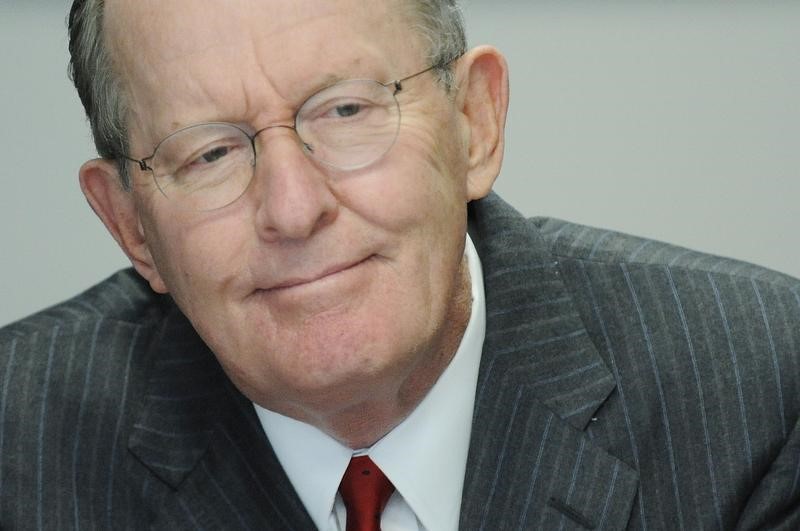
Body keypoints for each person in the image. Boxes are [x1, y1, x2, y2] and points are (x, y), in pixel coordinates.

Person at [1, 0, 798, 529]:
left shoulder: (758, 387)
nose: (292, 207)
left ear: (473, 123)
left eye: (345, 109)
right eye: (208, 152)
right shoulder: (19, 446)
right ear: (131, 224)